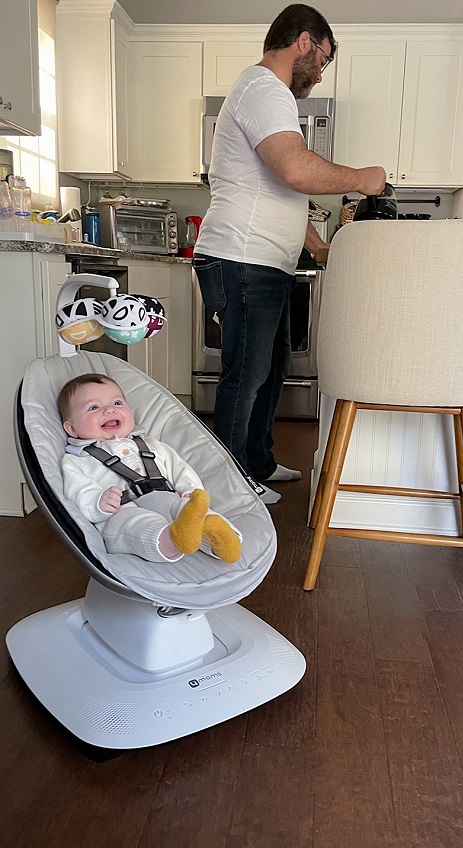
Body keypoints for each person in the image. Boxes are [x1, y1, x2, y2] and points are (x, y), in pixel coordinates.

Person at [194, 3, 386, 505]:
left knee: (271, 368)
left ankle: (255, 461)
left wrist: (317, 246)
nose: (320, 75)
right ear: (304, 41)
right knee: (247, 374)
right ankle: (228, 483)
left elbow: (279, 188)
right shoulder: (263, 88)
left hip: (264, 262)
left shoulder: (269, 94)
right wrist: (363, 178)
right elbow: (295, 171)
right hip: (241, 259)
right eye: (323, 60)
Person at [57, 373, 242, 564]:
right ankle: (171, 541)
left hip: (165, 497)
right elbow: (77, 491)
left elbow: (178, 468)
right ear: (72, 429)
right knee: (133, 525)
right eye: (94, 407)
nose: (110, 410)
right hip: (122, 511)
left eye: (118, 403)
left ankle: (221, 538)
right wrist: (98, 503)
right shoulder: (77, 460)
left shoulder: (151, 445)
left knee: (187, 508)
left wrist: (190, 490)